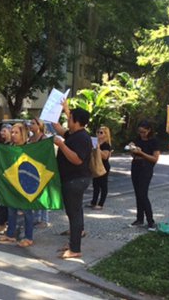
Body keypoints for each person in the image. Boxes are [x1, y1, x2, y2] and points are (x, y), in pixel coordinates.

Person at [51, 101, 93, 259]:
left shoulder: (82, 138)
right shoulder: (75, 134)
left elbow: (77, 159)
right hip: (73, 179)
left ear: (76, 122)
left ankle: (75, 249)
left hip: (75, 180)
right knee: (76, 212)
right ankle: (74, 240)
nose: (67, 121)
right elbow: (60, 129)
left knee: (73, 214)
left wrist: (61, 145)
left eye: (70, 119)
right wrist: (62, 110)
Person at [0, 123, 37, 248]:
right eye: (12, 132)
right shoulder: (10, 147)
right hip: (13, 183)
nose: (13, 135)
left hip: (26, 185)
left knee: (27, 212)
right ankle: (10, 234)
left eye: (16, 132)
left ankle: (29, 237)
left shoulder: (30, 148)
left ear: (23, 134)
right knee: (11, 209)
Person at [128, 121, 160, 230]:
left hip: (146, 168)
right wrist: (132, 149)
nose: (142, 134)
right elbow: (133, 154)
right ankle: (139, 218)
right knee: (137, 193)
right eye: (140, 132)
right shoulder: (137, 139)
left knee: (143, 194)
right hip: (136, 166)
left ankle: (150, 221)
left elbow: (155, 158)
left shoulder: (153, 141)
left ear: (149, 130)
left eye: (144, 132)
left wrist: (142, 153)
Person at [90, 126, 113, 210]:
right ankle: (93, 202)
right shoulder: (96, 142)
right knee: (95, 184)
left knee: (103, 185)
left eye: (101, 132)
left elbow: (105, 156)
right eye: (98, 132)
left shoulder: (106, 145)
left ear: (106, 134)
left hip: (103, 166)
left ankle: (101, 203)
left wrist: (98, 149)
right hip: (96, 164)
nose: (98, 134)